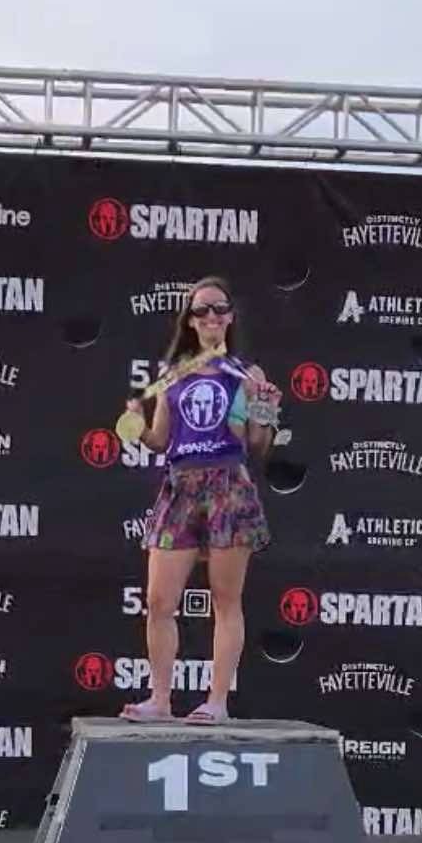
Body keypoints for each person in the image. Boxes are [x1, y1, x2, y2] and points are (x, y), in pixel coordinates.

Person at [119, 276, 280, 724]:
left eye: (219, 309)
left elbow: (258, 444)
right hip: (180, 486)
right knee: (158, 601)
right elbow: (160, 440)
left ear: (230, 317)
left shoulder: (247, 374)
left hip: (228, 484)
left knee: (225, 600)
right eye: (201, 310)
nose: (211, 316)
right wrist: (136, 426)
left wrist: (266, 409)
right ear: (189, 321)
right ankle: (159, 699)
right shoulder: (174, 375)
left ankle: (217, 702)